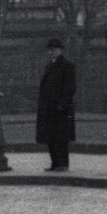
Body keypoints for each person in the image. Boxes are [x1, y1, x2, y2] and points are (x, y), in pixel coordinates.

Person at [36, 37, 77, 172]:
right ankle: (55, 163)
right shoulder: (49, 67)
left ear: (60, 50)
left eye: (53, 50)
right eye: (49, 50)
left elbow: (69, 88)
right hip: (48, 108)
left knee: (61, 138)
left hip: (60, 109)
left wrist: (63, 104)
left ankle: (63, 164)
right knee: (51, 137)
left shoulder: (67, 66)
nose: (50, 53)